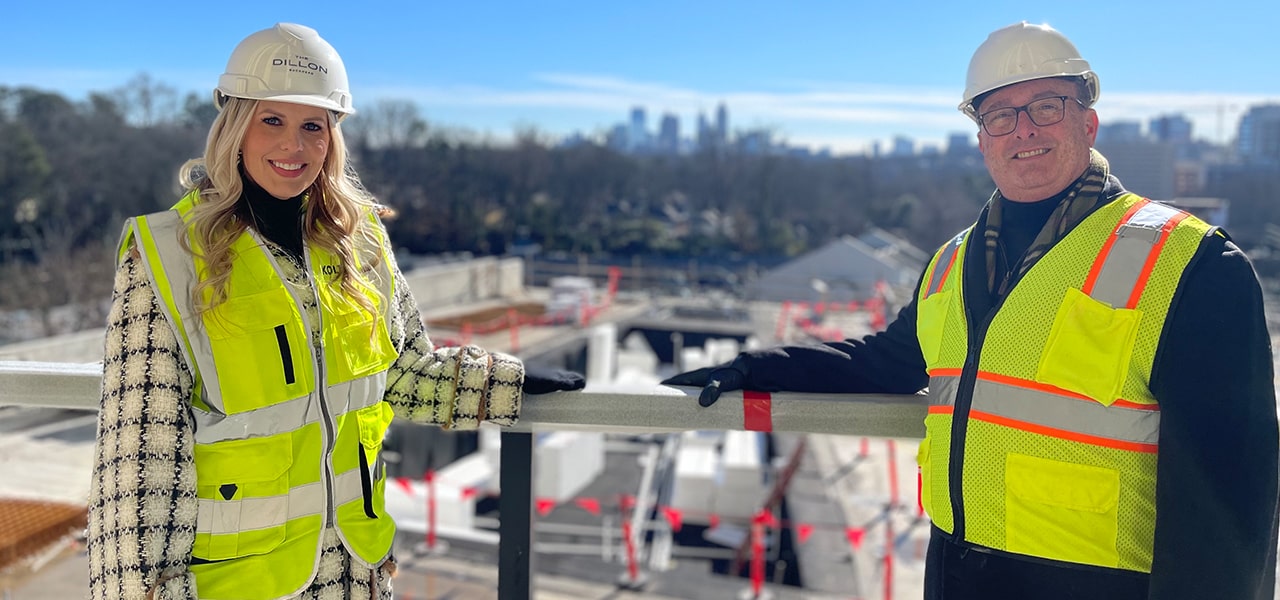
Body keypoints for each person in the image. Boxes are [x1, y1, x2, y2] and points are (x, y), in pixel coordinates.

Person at [665, 21, 1279, 600]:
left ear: (1088, 123)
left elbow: (1229, 506)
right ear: (981, 137)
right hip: (956, 569)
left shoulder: (1190, 264)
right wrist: (756, 367)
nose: (1024, 131)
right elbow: (887, 362)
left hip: (1097, 584)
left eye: (1047, 107)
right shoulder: (953, 262)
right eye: (1000, 115)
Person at [87, 23, 584, 600]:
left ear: (332, 136)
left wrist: (509, 384)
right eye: (271, 120)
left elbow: (403, 373)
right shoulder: (169, 258)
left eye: (312, 126)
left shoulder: (358, 242)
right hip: (239, 586)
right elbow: (137, 469)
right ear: (235, 127)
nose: (292, 146)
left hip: (354, 575)